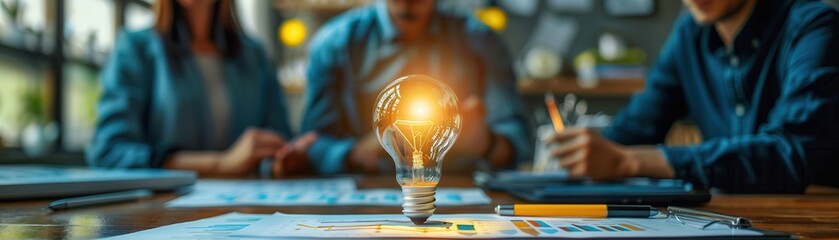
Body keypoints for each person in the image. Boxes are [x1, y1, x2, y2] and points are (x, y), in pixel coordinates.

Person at [548, 0, 839, 193]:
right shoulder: (690, 35)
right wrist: (583, 152)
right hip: (731, 222)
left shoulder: (816, 26)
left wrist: (629, 162)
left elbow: (793, 153)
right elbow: (635, 129)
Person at [87, 0, 315, 177]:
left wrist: (282, 159)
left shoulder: (255, 56)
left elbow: (279, 139)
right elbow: (108, 152)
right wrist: (222, 164)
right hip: (161, 215)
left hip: (247, 209)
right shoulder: (135, 49)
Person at [301, 0, 532, 174]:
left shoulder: (480, 40)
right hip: (364, 188)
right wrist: (357, 153)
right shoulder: (335, 43)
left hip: (460, 185)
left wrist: (486, 142)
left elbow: (518, 143)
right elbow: (307, 146)